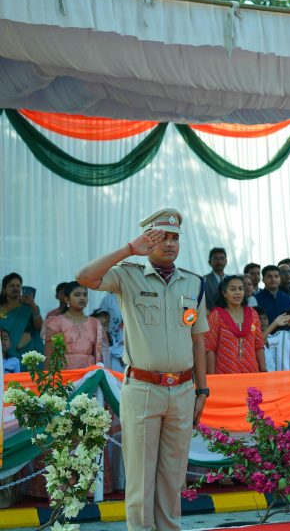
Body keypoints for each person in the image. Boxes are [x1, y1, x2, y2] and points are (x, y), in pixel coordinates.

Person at [76, 207, 209, 531]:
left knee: (172, 476)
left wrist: (202, 391)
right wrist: (127, 250)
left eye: (175, 237)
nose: (170, 243)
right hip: (143, 388)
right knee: (140, 477)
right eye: (162, 236)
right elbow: (85, 277)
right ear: (148, 239)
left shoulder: (194, 283)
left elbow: (198, 342)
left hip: (182, 391)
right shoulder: (128, 274)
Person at [205, 275, 265, 374]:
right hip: (224, 375)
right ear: (224, 293)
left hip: (252, 373)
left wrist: (263, 371)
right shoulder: (216, 315)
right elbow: (210, 349)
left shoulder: (252, 314)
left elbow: (259, 345)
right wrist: (212, 378)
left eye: (241, 289)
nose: (237, 292)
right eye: (233, 289)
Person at [42, 281, 104, 369]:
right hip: (65, 375)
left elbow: (99, 356)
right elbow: (49, 356)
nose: (82, 298)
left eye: (85, 295)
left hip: (89, 375)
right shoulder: (56, 322)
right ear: (67, 299)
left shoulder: (94, 323)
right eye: (77, 295)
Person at [0, 272, 44, 357]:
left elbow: (39, 327)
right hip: (3, 351)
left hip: (26, 351)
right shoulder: (1, 309)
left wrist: (33, 306)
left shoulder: (27, 307)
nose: (15, 288)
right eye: (12, 286)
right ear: (4, 289)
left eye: (18, 286)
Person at [97, 292, 125, 371]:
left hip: (126, 343)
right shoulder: (109, 299)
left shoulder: (134, 298)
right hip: (109, 339)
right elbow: (100, 317)